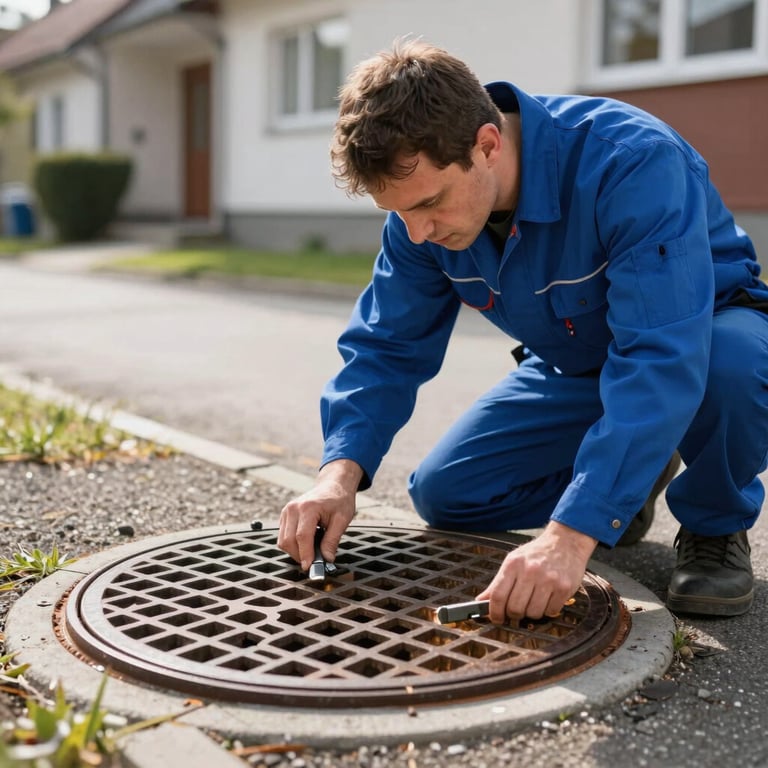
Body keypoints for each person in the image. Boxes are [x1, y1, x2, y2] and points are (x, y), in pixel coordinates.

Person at [278, 38, 767, 621]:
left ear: (487, 145)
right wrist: (338, 475)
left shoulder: (632, 161)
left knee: (735, 366)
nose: (416, 232)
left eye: (430, 203)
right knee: (447, 493)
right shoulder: (419, 224)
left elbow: (661, 354)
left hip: (697, 337)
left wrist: (570, 536)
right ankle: (625, 484)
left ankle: (714, 526)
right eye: (398, 212)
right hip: (576, 361)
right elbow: (386, 346)